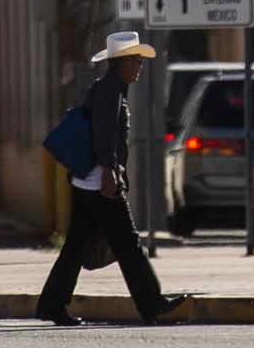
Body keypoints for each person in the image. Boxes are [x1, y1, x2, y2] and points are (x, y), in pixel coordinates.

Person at [36, 31, 186, 326]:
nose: (140, 67)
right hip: (98, 181)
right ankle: (152, 303)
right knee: (128, 244)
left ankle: (51, 304)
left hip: (89, 181)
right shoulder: (110, 89)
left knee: (76, 246)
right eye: (136, 60)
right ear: (122, 62)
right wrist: (109, 171)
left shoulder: (109, 87)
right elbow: (104, 133)